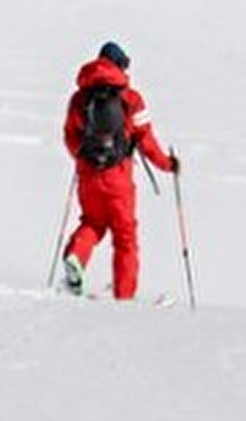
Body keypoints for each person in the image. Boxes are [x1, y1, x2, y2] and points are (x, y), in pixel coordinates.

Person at [61, 41, 178, 300]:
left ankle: (76, 256)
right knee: (125, 238)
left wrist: (82, 158)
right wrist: (168, 165)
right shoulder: (131, 99)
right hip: (119, 179)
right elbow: (146, 140)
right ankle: (124, 299)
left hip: (89, 177)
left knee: (92, 222)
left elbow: (70, 135)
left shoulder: (80, 98)